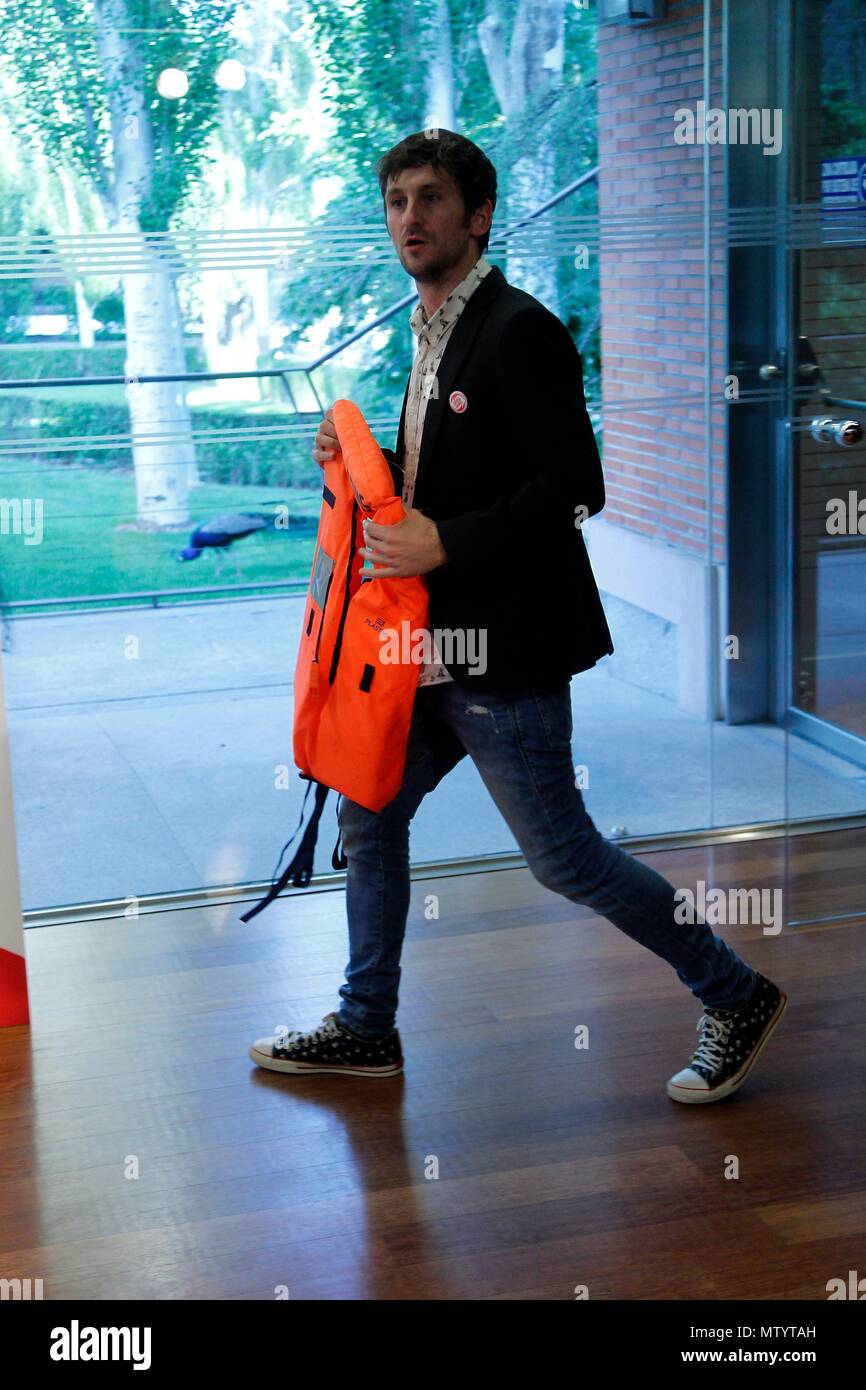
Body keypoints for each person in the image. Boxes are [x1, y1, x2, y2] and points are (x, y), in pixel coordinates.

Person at [250, 130, 787, 1103]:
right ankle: (366, 1026)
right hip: (425, 648)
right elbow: (442, 471)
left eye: (427, 199)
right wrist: (350, 451)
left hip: (502, 651)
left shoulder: (517, 330)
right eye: (395, 202)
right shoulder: (428, 329)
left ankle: (734, 991)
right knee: (368, 814)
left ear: (477, 214)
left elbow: (576, 488)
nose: (408, 217)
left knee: (564, 857)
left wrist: (444, 543)